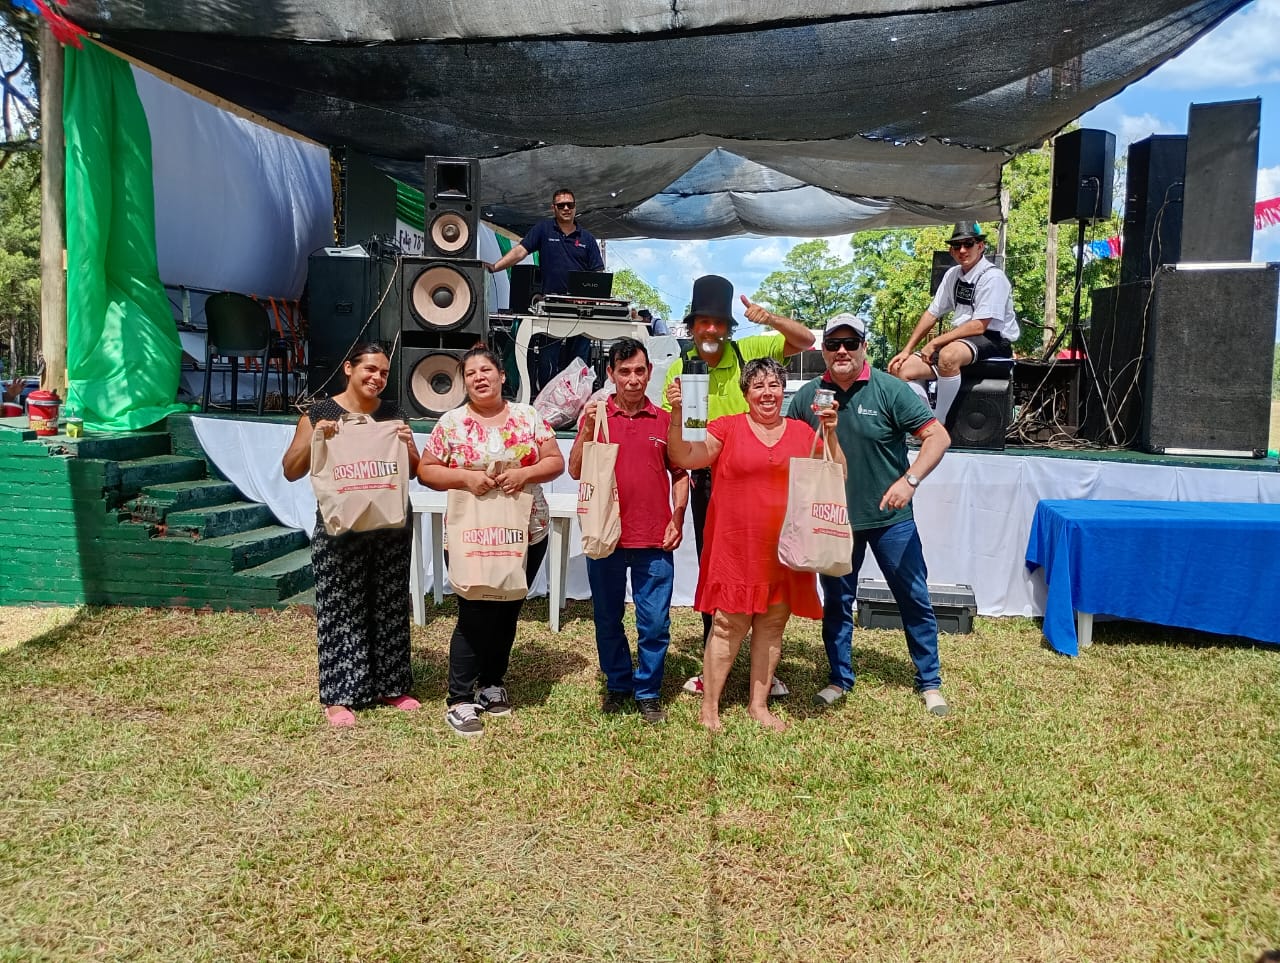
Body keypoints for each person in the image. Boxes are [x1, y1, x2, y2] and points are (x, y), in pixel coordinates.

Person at [789, 313, 954, 717]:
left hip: (890, 521)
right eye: (833, 344)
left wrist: (909, 480)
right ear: (823, 350)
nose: (841, 351)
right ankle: (839, 678)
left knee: (913, 597)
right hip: (834, 520)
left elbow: (939, 436)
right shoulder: (808, 395)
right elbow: (786, 446)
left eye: (850, 343)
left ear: (865, 346)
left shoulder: (891, 390)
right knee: (838, 601)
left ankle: (929, 681)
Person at [666, 357, 842, 732]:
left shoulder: (799, 430)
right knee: (728, 625)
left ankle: (758, 706)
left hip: (784, 549)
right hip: (736, 548)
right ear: (746, 394)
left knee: (772, 626)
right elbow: (684, 455)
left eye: (774, 385)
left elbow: (835, 470)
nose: (767, 393)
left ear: (783, 391)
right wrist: (678, 413)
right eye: (758, 386)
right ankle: (709, 709)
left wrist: (830, 432)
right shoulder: (727, 428)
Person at [661, 274, 816, 695]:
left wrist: (771, 318)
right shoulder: (679, 368)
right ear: (691, 327)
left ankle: (762, 671)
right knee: (718, 572)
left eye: (718, 322)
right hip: (708, 476)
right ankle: (719, 665)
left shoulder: (750, 351)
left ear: (729, 327)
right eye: (702, 322)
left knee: (769, 571)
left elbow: (805, 341)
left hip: (762, 474)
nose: (710, 330)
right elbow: (675, 443)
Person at [418, 346, 565, 738]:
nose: (479, 378)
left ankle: (492, 682)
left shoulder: (527, 416)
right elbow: (426, 470)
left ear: (503, 376)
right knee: (474, 610)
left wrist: (524, 474)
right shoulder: (451, 423)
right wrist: (465, 478)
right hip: (471, 535)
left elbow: (555, 462)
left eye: (486, 370)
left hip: (526, 532)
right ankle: (459, 699)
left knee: (507, 606)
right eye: (470, 373)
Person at [281, 342, 422, 728]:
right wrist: (316, 438)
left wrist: (409, 446)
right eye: (369, 369)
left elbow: (417, 473)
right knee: (340, 605)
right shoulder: (320, 412)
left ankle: (391, 686)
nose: (377, 378)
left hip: (389, 526)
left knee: (390, 603)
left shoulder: (393, 413)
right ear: (349, 368)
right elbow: (290, 470)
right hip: (339, 527)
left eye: (383, 372)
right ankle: (340, 694)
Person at [568, 338, 688, 723]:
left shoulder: (665, 420)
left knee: (654, 621)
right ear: (611, 374)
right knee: (607, 616)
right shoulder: (598, 417)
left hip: (654, 537)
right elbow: (575, 469)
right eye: (624, 372)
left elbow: (681, 474)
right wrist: (586, 427)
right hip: (607, 534)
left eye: (639, 371)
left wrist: (678, 516)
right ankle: (619, 684)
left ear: (650, 372)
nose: (633, 380)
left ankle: (648, 690)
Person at [888, 221, 1020, 427]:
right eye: (957, 246)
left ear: (981, 246)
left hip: (994, 339)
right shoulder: (952, 275)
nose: (962, 250)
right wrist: (907, 349)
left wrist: (936, 342)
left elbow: (979, 326)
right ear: (951, 250)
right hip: (962, 338)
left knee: (948, 356)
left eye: (968, 244)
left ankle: (939, 422)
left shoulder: (993, 277)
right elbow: (932, 313)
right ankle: (925, 420)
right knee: (900, 368)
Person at [486, 187, 604, 389]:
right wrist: (496, 267)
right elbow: (520, 252)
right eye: (561, 205)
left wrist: (595, 298)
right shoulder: (543, 229)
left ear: (575, 208)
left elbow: (599, 274)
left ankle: (574, 404)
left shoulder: (587, 239)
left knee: (579, 360)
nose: (566, 208)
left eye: (570, 204)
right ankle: (546, 401)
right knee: (549, 357)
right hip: (552, 306)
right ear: (553, 208)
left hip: (582, 310)